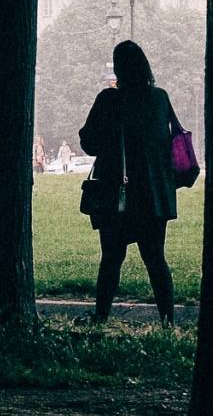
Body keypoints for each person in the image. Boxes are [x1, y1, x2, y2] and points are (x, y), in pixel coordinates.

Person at [78, 41, 183, 324]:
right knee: (156, 260)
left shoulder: (109, 99)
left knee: (111, 259)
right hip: (153, 193)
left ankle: (101, 317)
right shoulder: (160, 98)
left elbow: (89, 141)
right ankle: (167, 320)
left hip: (117, 192)